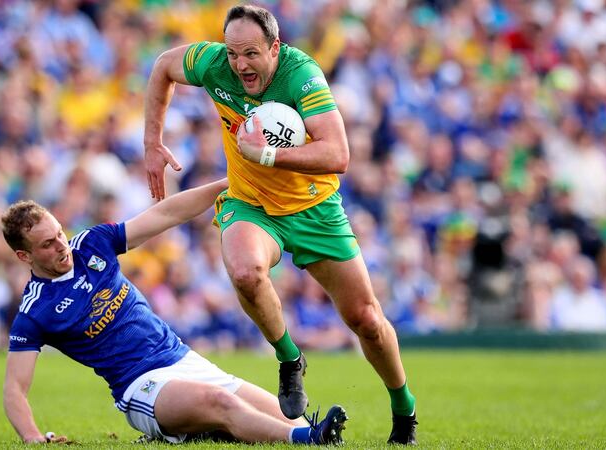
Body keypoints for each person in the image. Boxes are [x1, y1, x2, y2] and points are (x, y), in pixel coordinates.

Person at [144, 4, 417, 444]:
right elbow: (162, 67)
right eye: (233, 53)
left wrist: (268, 155)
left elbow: (338, 155)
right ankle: (290, 359)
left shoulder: (302, 76)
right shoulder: (214, 64)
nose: (240, 64)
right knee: (246, 272)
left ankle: (404, 409)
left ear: (275, 47)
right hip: (250, 203)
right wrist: (152, 141)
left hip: (314, 209)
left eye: (250, 53)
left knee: (365, 319)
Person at [0, 179, 348, 445]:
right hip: (141, 386)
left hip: (183, 359)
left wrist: (232, 182)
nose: (62, 245)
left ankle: (287, 433)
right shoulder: (36, 311)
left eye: (60, 233)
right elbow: (14, 388)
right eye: (48, 244)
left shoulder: (92, 244)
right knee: (223, 404)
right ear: (24, 256)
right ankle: (308, 440)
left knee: (290, 416)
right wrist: (32, 437)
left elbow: (167, 213)